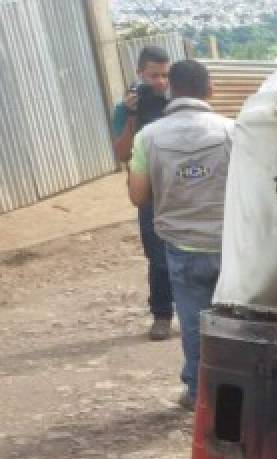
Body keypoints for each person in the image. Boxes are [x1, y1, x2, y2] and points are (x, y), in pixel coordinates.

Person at [126, 60, 234, 411]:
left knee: (192, 321)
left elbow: (138, 196)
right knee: (237, 321)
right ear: (210, 90)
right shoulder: (233, 132)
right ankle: (237, 391)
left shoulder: (148, 137)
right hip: (230, 247)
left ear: (171, 89)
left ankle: (197, 392)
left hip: (183, 248)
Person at [113, 46, 174, 341]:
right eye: (154, 76)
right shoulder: (124, 108)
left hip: (179, 188)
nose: (160, 82)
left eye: (165, 75)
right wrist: (131, 115)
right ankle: (162, 315)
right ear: (139, 74)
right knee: (158, 257)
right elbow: (123, 153)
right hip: (147, 191)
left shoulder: (177, 102)